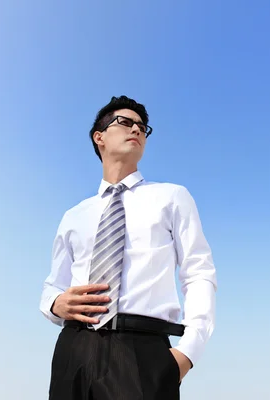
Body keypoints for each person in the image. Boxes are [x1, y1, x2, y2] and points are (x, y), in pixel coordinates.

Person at [39, 95, 217, 399]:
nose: (136, 128)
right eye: (125, 122)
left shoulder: (172, 197)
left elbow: (198, 273)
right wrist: (56, 304)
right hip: (74, 349)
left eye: (142, 127)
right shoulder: (74, 216)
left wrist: (188, 352)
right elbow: (53, 284)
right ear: (100, 138)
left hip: (142, 351)